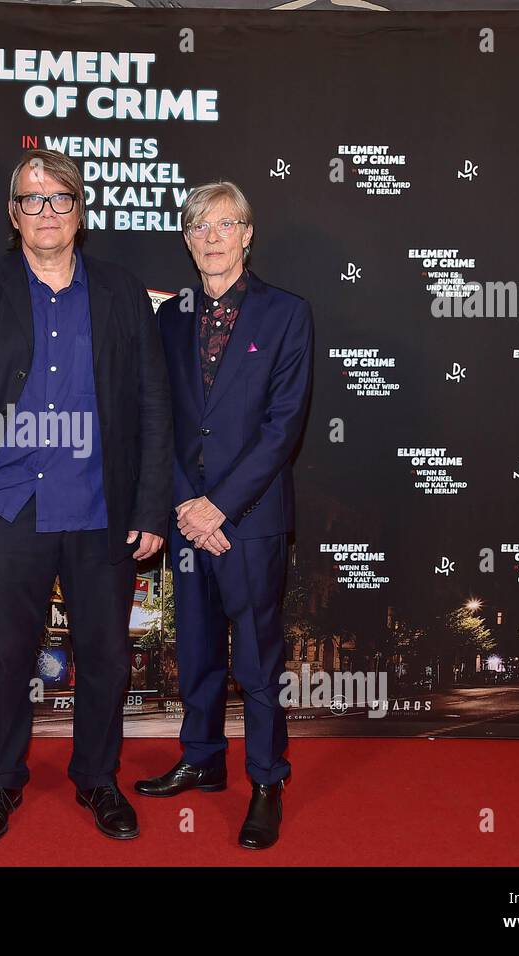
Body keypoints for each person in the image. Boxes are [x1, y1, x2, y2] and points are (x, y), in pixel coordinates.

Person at [0, 149, 172, 842]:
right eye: (31, 199)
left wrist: (152, 505)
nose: (46, 212)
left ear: (80, 211)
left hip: (102, 509)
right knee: (6, 658)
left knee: (105, 657)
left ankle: (97, 778)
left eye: (59, 198)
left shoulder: (123, 293)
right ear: (13, 214)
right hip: (4, 508)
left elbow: (155, 402)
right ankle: (0, 783)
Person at [134, 181, 314, 850]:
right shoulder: (170, 316)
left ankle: (267, 779)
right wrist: (186, 504)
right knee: (197, 649)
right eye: (198, 226)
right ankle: (203, 758)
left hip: (251, 519)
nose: (211, 236)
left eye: (225, 224)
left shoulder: (287, 314)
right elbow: (163, 419)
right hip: (188, 517)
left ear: (247, 235)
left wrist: (219, 506)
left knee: (259, 661)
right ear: (186, 240)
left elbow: (283, 426)